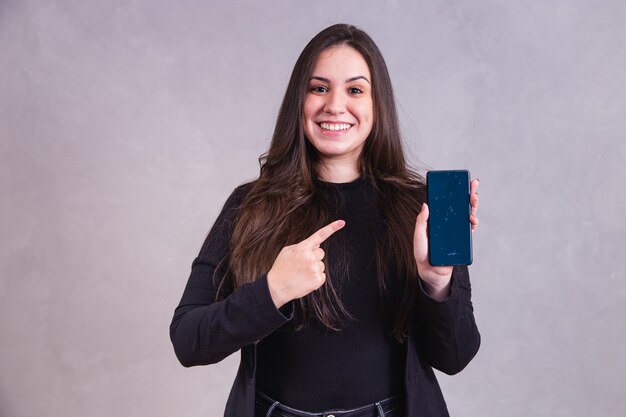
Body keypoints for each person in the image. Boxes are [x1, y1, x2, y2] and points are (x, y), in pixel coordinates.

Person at [170, 23, 481, 417]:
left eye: (355, 90)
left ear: (376, 105)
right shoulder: (249, 206)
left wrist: (437, 282)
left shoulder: (417, 209)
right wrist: (272, 291)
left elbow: (456, 356)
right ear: (298, 101)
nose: (335, 105)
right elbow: (188, 340)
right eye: (319, 88)